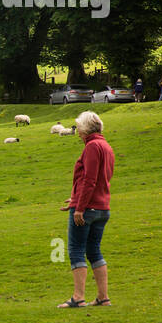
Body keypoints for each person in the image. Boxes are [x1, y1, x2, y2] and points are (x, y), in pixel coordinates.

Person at [58, 110, 115, 308]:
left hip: (88, 208)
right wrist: (75, 199)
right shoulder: (106, 146)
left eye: (80, 130)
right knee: (94, 250)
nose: (79, 135)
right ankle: (102, 297)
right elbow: (101, 179)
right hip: (102, 207)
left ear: (85, 129)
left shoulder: (92, 146)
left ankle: (78, 297)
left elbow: (90, 180)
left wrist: (80, 207)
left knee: (76, 250)